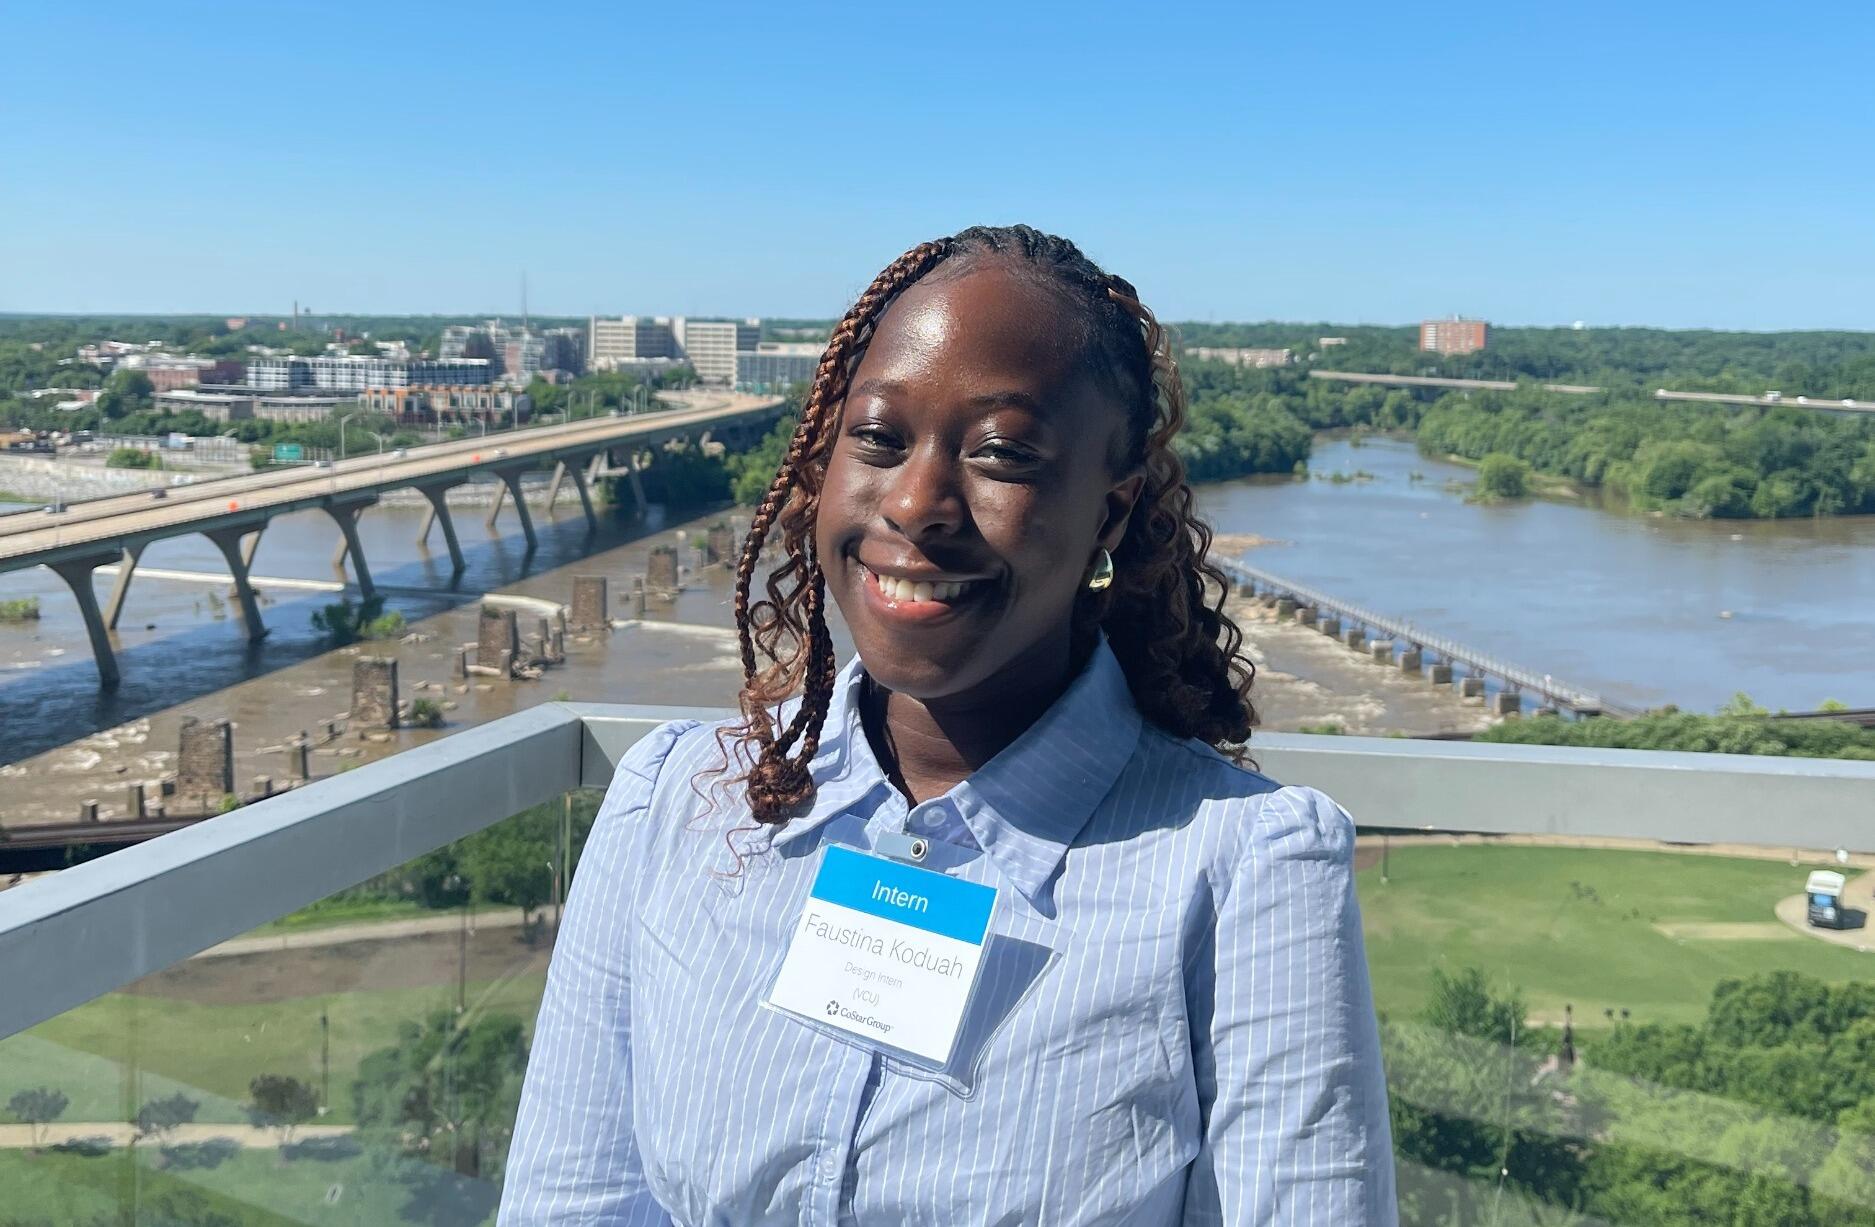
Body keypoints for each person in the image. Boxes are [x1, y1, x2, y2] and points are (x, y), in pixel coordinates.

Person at [499, 225, 1396, 1225]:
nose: (918, 503)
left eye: (1003, 454)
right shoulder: (676, 803)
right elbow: (572, 1203)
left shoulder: (1247, 881)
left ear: (1108, 514)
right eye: (878, 439)